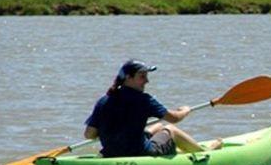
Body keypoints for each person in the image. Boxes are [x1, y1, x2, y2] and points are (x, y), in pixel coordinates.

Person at [84, 59, 221, 158]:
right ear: (128, 78)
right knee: (170, 129)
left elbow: (89, 134)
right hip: (141, 153)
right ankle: (204, 153)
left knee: (159, 126)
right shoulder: (144, 99)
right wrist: (185, 111)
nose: (147, 81)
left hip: (110, 154)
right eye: (142, 76)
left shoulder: (104, 101)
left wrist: (112, 130)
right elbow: (174, 119)